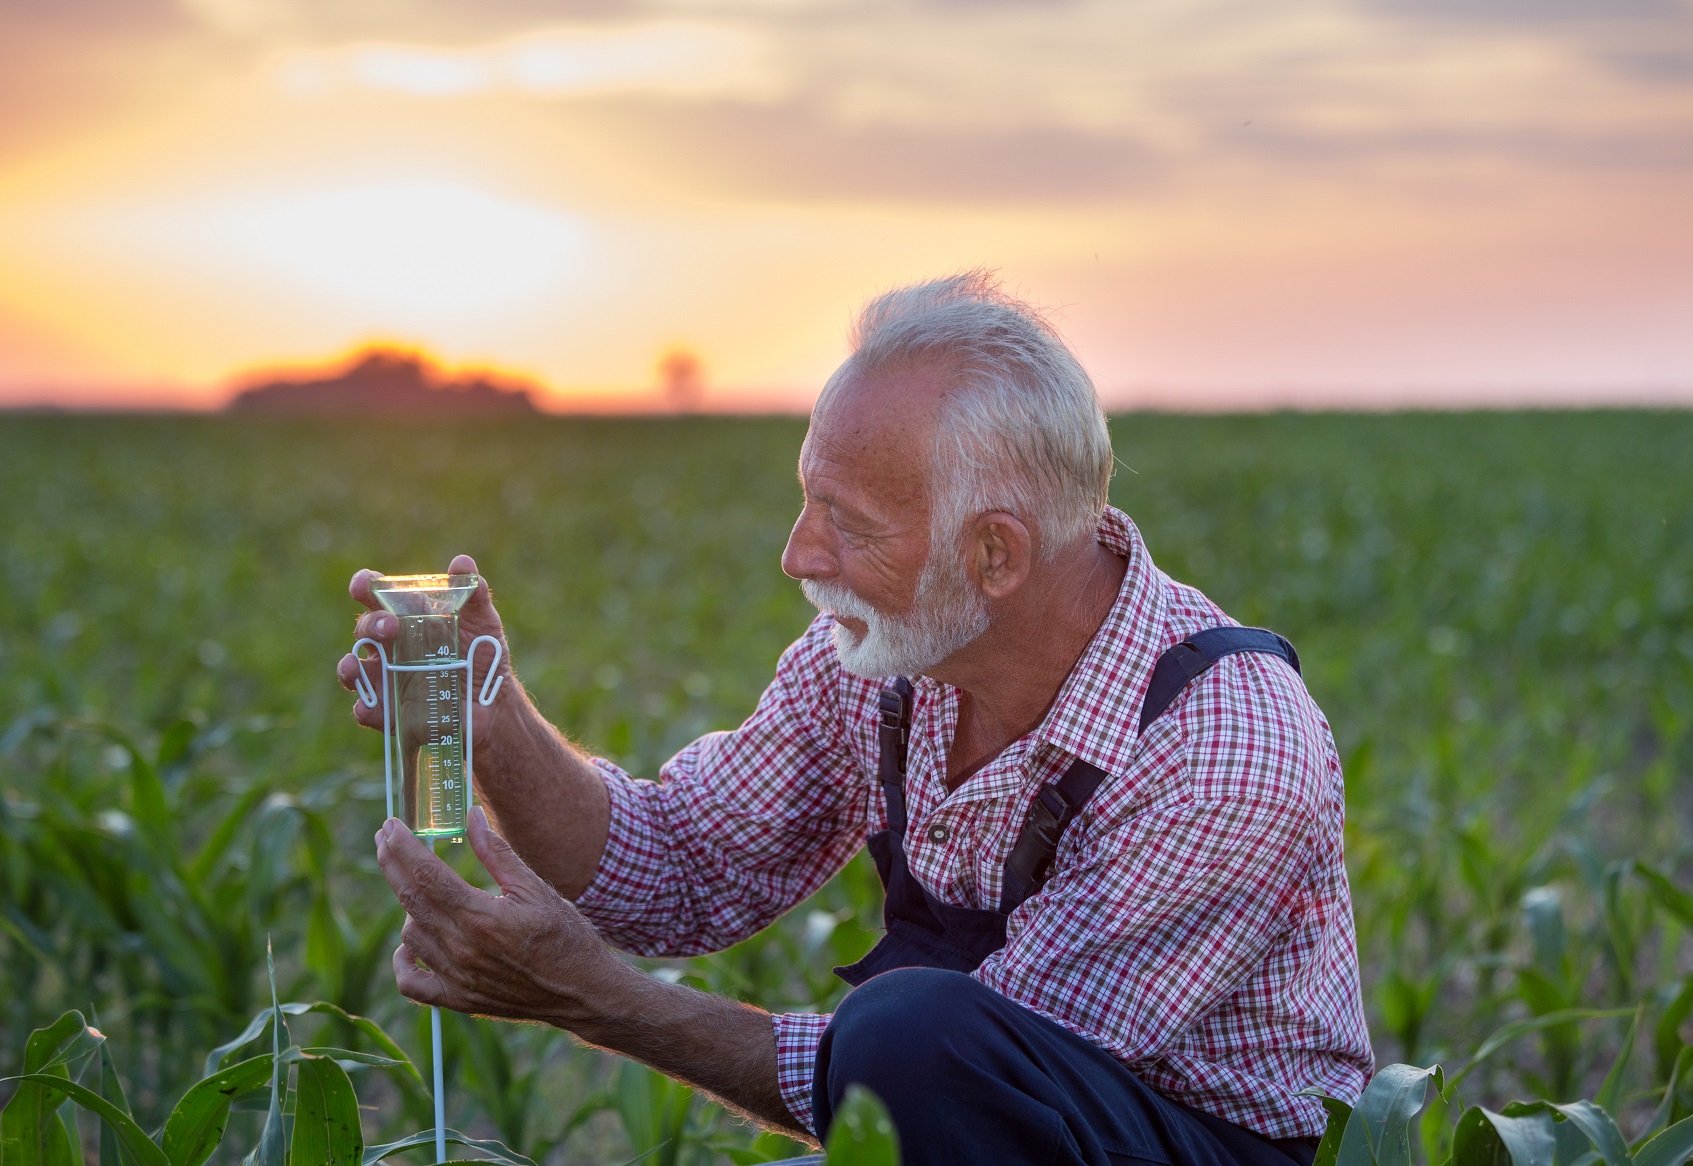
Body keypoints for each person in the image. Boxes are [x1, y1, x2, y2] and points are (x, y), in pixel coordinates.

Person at [338, 271, 1373, 1166]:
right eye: (806, 500)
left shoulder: (1224, 744)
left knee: (911, 1030)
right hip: (986, 1112)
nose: (799, 553)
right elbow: (676, 864)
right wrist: (488, 714)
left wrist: (594, 996)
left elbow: (957, 1079)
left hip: (1209, 1142)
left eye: (848, 521)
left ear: (996, 555)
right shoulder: (887, 659)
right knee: (908, 1034)